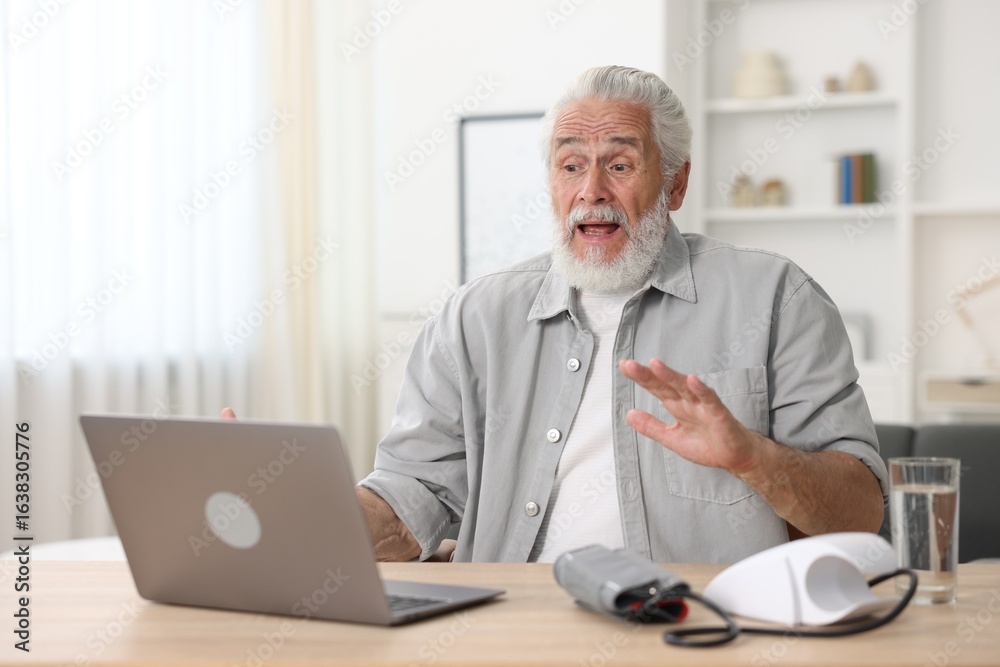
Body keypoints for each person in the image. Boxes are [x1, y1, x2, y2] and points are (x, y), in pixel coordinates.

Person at [344, 66, 886, 564]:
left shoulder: (777, 298)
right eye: (571, 165)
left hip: (696, 627)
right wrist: (296, 525)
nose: (591, 191)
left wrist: (754, 459)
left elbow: (859, 514)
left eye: (621, 165)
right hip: (508, 625)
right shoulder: (473, 318)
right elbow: (408, 502)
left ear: (675, 184)